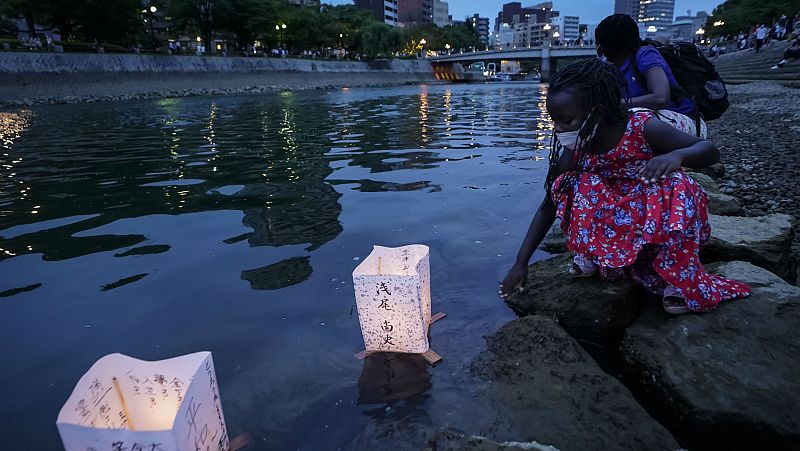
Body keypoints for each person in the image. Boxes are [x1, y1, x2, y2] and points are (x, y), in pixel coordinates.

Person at [500, 59, 751, 314]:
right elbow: (549, 205)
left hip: (648, 210)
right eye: (554, 121)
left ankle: (678, 278)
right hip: (619, 218)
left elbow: (709, 150)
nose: (558, 129)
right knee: (568, 184)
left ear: (597, 113)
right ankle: (596, 255)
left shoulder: (642, 127)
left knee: (677, 184)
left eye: (566, 120)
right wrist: (521, 262)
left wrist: (676, 157)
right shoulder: (575, 149)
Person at [595, 14, 705, 137]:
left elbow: (660, 98)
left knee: (632, 120)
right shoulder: (610, 67)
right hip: (651, 122)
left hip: (682, 121)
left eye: (599, 43)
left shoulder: (645, 56)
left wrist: (615, 103)